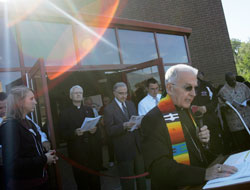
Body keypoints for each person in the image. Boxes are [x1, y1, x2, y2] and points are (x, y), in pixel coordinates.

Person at [141, 64, 237, 190]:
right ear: (170, 88)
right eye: (188, 88)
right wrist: (204, 174)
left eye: (194, 88)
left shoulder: (187, 110)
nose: (193, 94)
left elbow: (197, 154)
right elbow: (159, 169)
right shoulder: (152, 119)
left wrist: (202, 141)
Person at [0, 86, 57, 190]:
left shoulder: (29, 122)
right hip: (25, 185)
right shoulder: (10, 127)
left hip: (41, 181)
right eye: (31, 99)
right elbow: (12, 163)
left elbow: (30, 151)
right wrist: (44, 159)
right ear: (20, 102)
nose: (35, 102)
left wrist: (47, 156)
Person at [104, 82, 146, 190]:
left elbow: (136, 119)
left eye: (126, 93)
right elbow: (109, 130)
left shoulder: (131, 104)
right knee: (128, 182)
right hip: (123, 149)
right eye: (121, 93)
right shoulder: (109, 109)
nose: (124, 96)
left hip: (137, 147)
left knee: (141, 179)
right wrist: (123, 126)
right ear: (114, 93)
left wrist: (139, 123)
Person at [59, 85, 101, 190]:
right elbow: (61, 134)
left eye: (80, 93)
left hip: (92, 151)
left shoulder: (89, 110)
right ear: (70, 96)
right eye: (76, 93)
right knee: (82, 182)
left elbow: (96, 127)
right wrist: (74, 133)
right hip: (77, 152)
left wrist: (95, 130)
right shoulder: (65, 113)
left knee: (95, 181)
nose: (78, 95)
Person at [191, 71, 224, 161]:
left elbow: (215, 100)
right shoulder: (187, 88)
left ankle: (220, 161)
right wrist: (193, 109)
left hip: (211, 121)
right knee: (202, 146)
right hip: (196, 124)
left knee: (215, 143)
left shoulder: (206, 86)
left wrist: (206, 108)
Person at [218, 72, 250, 152]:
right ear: (226, 80)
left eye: (234, 79)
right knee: (242, 147)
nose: (233, 82)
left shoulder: (243, 86)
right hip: (236, 124)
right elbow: (221, 107)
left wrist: (247, 102)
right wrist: (228, 107)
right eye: (231, 80)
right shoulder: (222, 92)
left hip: (247, 121)